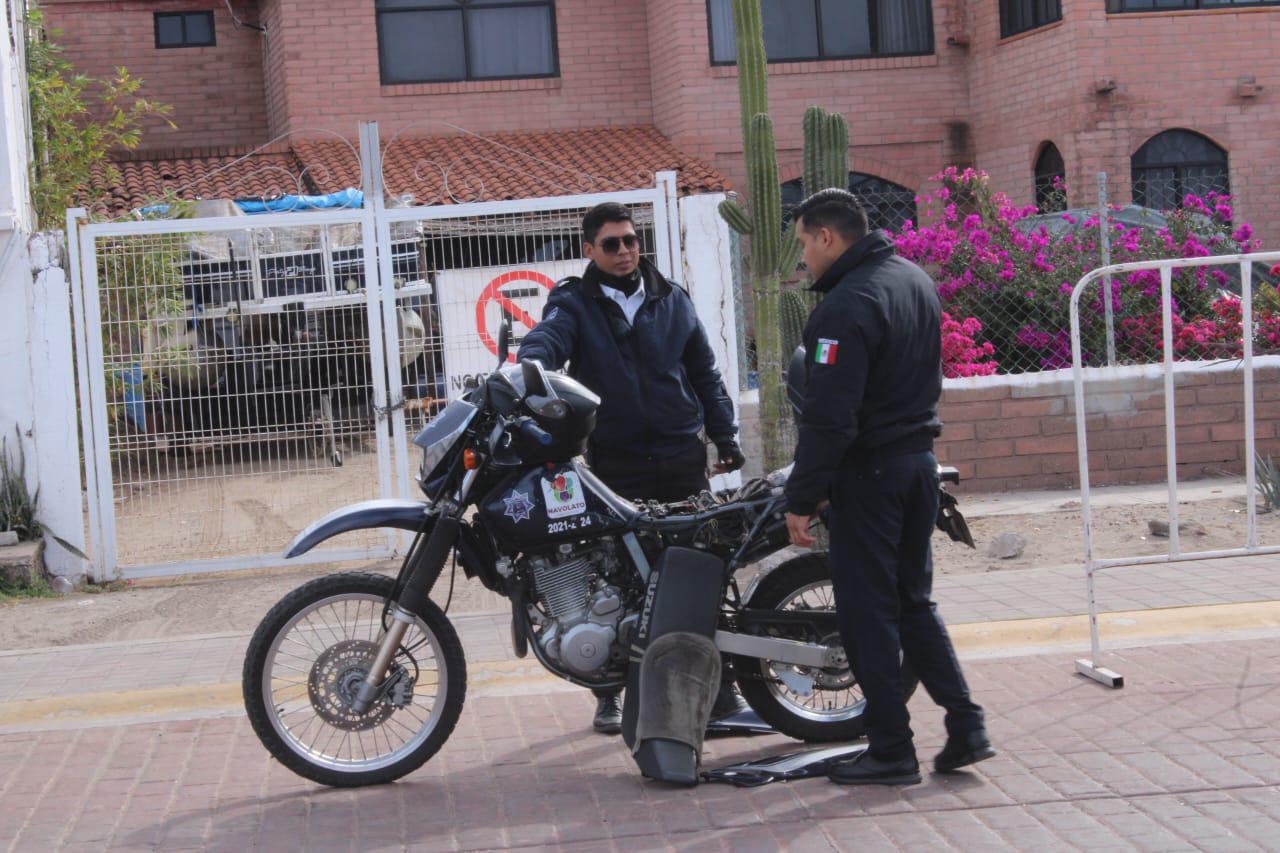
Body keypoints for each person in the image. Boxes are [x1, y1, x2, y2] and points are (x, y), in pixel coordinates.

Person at [783, 188, 994, 786]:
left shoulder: (846, 305)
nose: (805, 260)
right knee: (913, 604)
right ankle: (966, 724)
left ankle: (891, 750)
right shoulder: (912, 279)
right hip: (918, 466)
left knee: (868, 615)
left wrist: (802, 497)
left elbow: (830, 417)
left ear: (827, 236)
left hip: (870, 476)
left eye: (804, 244)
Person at [518, 201, 747, 734]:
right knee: (616, 577)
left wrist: (724, 434)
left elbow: (704, 373)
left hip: (678, 453)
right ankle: (609, 692)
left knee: (696, 569)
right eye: (611, 244)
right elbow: (548, 340)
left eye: (631, 241)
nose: (624, 252)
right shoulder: (573, 301)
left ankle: (722, 688)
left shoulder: (672, 298)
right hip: (614, 460)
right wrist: (530, 367)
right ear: (588, 250)